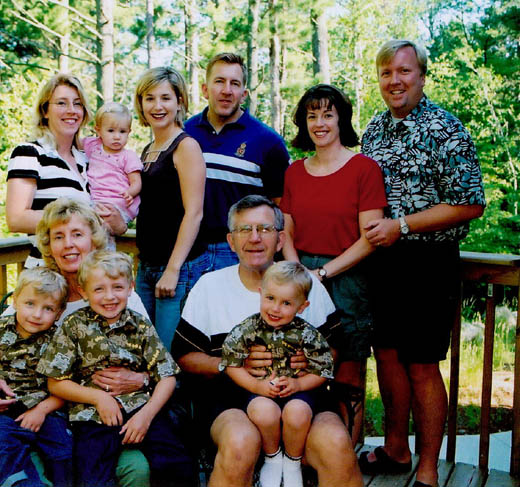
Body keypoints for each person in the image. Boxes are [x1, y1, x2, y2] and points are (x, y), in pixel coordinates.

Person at [359, 40, 486, 487]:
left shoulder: (445, 129)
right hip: (382, 262)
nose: (394, 80)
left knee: (422, 364)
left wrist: (403, 226)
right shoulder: (374, 130)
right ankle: (396, 449)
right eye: (386, 72)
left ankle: (429, 469)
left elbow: (471, 203)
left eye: (404, 71)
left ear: (422, 76)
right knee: (387, 357)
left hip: (429, 262)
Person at [172, 195, 363, 487]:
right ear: (231, 241)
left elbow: (335, 348)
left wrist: (309, 363)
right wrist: (232, 364)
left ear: (280, 239)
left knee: (335, 443)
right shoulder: (209, 287)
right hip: (231, 402)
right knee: (240, 442)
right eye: (244, 230)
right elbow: (184, 356)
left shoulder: (309, 286)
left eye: (264, 228)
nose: (254, 238)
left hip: (302, 398)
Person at [0, 198, 152, 486]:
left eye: (77, 234)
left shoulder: (114, 294)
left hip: (100, 422)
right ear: (49, 245)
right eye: (58, 236)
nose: (68, 244)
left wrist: (141, 379)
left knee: (137, 469)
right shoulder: (39, 293)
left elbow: (154, 361)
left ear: (93, 240)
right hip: (41, 418)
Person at [280, 84, 386, 443]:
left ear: (342, 120)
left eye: (328, 114)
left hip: (347, 278)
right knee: (298, 363)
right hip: (299, 276)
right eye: (312, 116)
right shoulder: (294, 172)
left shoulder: (364, 169)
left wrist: (323, 273)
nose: (320, 123)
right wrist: (299, 273)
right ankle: (303, 450)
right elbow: (286, 230)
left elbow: (370, 237)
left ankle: (346, 452)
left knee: (347, 371)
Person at [37, 250, 196, 487]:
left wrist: (146, 416)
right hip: (93, 417)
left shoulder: (140, 325)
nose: (109, 297)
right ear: (83, 291)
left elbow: (167, 376)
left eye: (117, 287)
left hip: (141, 409)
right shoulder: (74, 326)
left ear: (131, 287)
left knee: (177, 463)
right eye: (99, 289)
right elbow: (56, 382)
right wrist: (99, 398)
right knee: (91, 476)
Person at [0, 267, 72, 487]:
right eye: (30, 304)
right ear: (15, 300)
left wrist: (40, 411)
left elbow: (68, 385)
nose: (37, 314)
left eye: (48, 308)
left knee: (63, 452)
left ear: (59, 312)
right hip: (4, 412)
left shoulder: (60, 341)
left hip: (48, 411)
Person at [221, 261, 334, 487]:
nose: (275, 308)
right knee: (264, 411)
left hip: (297, 391)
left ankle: (292, 462)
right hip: (259, 390)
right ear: (260, 293)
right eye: (270, 298)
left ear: (302, 306)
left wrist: (299, 385)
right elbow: (230, 364)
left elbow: (324, 369)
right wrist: (256, 386)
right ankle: (272, 458)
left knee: (298, 412)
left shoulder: (307, 334)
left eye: (286, 303)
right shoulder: (248, 329)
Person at [6, 73, 127, 267]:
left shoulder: (88, 158)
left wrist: (119, 223)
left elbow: (110, 212)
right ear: (45, 111)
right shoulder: (30, 153)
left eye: (77, 104)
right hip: (48, 273)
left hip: (90, 274)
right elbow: (16, 218)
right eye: (61, 103)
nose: (71, 110)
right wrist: (84, 220)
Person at [184, 52, 290, 272]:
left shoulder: (267, 142)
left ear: (244, 94)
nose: (227, 90)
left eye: (234, 83)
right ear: (205, 90)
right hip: (189, 252)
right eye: (219, 81)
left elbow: (282, 209)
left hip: (243, 253)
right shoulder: (185, 133)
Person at [133, 66, 208, 348]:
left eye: (165, 98)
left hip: (177, 268)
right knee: (144, 349)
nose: (157, 106)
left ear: (179, 101)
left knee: (167, 353)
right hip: (147, 266)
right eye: (150, 98)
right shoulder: (149, 149)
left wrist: (173, 269)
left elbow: (194, 213)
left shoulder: (185, 146)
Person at [83, 102, 143, 225]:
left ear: (129, 132)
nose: (117, 136)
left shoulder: (128, 156)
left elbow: (136, 182)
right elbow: (71, 142)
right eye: (111, 131)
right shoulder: (93, 146)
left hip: (118, 202)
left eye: (122, 131)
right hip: (95, 200)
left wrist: (130, 192)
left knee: (100, 224)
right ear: (98, 131)